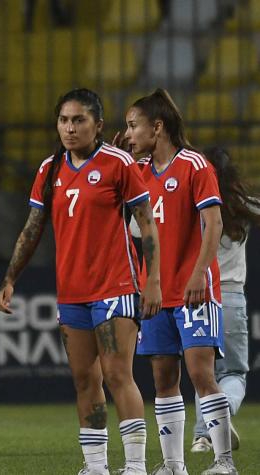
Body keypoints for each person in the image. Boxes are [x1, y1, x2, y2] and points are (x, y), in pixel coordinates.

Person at [0, 88, 161, 475]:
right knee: (85, 380)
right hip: (72, 293)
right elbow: (33, 228)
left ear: (98, 125)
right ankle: (96, 467)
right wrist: (10, 278)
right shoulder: (49, 169)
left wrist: (152, 280)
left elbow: (147, 223)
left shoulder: (119, 163)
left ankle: (135, 466)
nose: (69, 128)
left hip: (115, 286)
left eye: (79, 120)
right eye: (64, 120)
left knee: (119, 374)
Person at [121, 89, 237, 475]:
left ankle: (224, 462)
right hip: (155, 292)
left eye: (133, 125)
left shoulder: (194, 166)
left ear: (158, 126)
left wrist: (199, 273)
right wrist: (118, 151)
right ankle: (174, 465)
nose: (130, 133)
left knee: (201, 373)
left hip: (194, 289)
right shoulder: (137, 172)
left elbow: (214, 223)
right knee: (162, 377)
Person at [190, 147, 258, 456]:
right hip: (229, 296)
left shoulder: (191, 204)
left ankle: (202, 437)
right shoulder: (241, 206)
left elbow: (138, 228)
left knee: (202, 373)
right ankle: (222, 414)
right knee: (233, 374)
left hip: (197, 295)